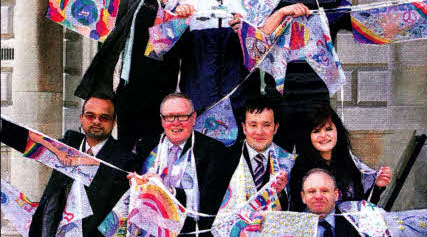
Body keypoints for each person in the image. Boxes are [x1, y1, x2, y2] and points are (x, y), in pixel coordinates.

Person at [236, 0, 427, 152]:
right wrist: (282, 13)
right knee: (276, 170)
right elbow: (255, 43)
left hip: (317, 102)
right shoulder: (268, 3)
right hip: (276, 103)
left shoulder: (331, 4)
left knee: (314, 169)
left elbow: (372, 22)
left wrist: (419, 7)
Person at [75, 0, 195, 151]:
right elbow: (106, 18)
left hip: (168, 93)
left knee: (161, 152)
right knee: (126, 152)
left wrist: (189, 15)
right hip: (131, 90)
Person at [29, 95, 138, 237]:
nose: (96, 121)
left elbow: (118, 215)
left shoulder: (126, 160)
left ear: (114, 122)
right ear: (81, 118)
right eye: (90, 116)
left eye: (104, 117)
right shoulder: (67, 145)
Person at [175, 0, 259, 116]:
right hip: (198, 105)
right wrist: (177, 23)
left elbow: (264, 55)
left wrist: (248, 32)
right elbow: (164, 52)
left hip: (241, 105)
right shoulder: (189, 6)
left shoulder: (251, 6)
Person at [134, 93, 230, 236]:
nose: (176, 122)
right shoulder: (146, 146)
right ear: (161, 120)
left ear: (193, 118)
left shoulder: (214, 151)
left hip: (191, 232)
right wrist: (136, 184)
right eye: (169, 116)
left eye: (182, 116)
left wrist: (168, 192)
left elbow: (209, 204)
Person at [289, 103, 391, 212]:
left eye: (328, 129)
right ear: (308, 137)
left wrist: (378, 186)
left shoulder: (350, 162)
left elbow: (362, 207)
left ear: (337, 130)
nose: (323, 135)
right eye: (316, 131)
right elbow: (298, 211)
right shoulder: (300, 168)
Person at [213, 95, 295, 227]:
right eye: (253, 125)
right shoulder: (224, 159)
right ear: (244, 127)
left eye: (266, 125)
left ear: (276, 128)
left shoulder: (287, 161)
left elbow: (295, 210)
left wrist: (279, 193)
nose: (259, 132)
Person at [300, 168, 360, 237]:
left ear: (336, 195)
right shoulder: (293, 228)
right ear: (303, 197)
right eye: (312, 191)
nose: (318, 196)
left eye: (324, 191)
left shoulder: (357, 224)